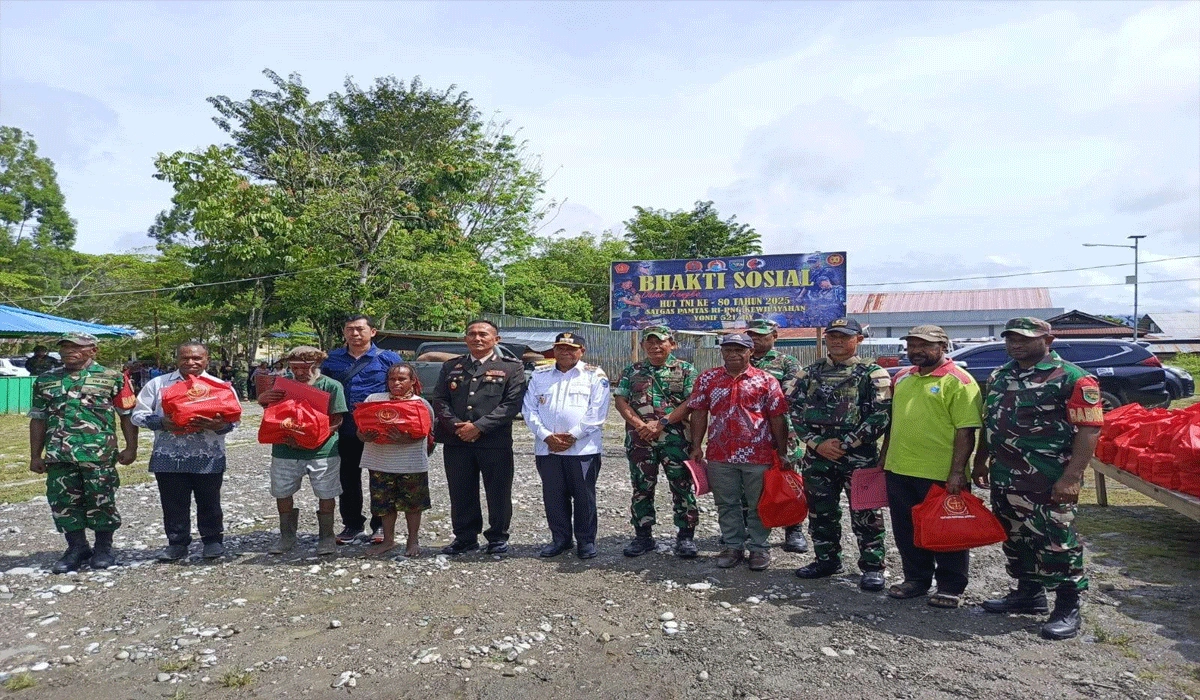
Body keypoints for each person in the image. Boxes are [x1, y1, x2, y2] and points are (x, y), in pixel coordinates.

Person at [973, 317, 1102, 640]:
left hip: (1048, 476)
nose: (1015, 344)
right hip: (1005, 474)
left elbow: (1089, 430)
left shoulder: (1073, 378)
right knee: (1015, 536)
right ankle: (1028, 593)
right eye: (1010, 338)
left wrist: (1072, 477)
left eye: (1024, 339)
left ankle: (1067, 606)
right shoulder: (1001, 375)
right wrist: (981, 460)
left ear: (1048, 340)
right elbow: (992, 421)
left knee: (1056, 541)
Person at [882, 326, 982, 608]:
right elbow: (893, 422)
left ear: (943, 346)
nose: (916, 350)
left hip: (940, 473)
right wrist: (884, 458)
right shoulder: (902, 377)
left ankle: (950, 586)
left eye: (924, 345)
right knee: (906, 530)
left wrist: (957, 472)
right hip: (900, 468)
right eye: (912, 345)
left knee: (947, 531)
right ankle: (916, 579)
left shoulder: (959, 381)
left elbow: (966, 431)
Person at [789, 318, 892, 590]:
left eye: (844, 337)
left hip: (859, 457)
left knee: (866, 512)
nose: (836, 341)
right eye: (832, 336)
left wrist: (846, 444)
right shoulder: (808, 373)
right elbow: (795, 411)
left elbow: (881, 416)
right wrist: (816, 443)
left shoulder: (873, 373)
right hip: (817, 456)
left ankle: (872, 567)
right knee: (821, 512)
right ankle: (826, 560)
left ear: (858, 339)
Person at [28, 333, 138, 573]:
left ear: (93, 350)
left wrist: (131, 448)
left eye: (76, 347)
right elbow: (38, 418)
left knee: (102, 498)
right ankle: (77, 547)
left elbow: (127, 415)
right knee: (62, 500)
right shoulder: (46, 380)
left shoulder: (112, 378)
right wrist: (35, 454)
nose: (69, 351)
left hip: (97, 452)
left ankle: (103, 548)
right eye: (65, 347)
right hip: (59, 454)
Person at [687, 333, 789, 570]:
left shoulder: (766, 381)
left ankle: (759, 549)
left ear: (750, 352)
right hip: (720, 455)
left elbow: (777, 417)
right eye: (728, 350)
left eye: (739, 350)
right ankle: (733, 546)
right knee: (726, 503)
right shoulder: (708, 379)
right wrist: (696, 446)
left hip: (758, 454)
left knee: (758, 503)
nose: (732, 355)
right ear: (721, 352)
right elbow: (699, 412)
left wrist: (782, 452)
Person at [132, 342, 238, 562]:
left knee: (209, 500)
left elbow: (235, 421)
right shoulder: (158, 385)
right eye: (185, 358)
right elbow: (137, 415)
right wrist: (161, 422)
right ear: (177, 359)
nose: (191, 362)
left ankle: (212, 541)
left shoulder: (220, 386)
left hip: (208, 455)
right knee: (172, 502)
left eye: (197, 358)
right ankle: (177, 544)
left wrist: (217, 425)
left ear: (207, 359)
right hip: (168, 456)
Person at [433, 319, 526, 555]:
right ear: (465, 339)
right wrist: (456, 426)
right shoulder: (451, 366)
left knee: (498, 491)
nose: (477, 338)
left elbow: (511, 404)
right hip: (457, 440)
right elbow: (440, 400)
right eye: (472, 334)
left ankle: (497, 537)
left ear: (496, 339)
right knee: (461, 490)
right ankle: (465, 537)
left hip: (494, 441)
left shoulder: (511, 367)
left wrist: (479, 426)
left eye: (484, 334)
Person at [612, 326, 698, 558]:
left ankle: (685, 536)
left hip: (675, 439)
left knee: (681, 487)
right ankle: (643, 537)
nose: (654, 346)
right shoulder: (632, 371)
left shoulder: (686, 370)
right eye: (649, 342)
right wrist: (640, 425)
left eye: (660, 342)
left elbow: (691, 402)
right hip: (640, 440)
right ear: (642, 346)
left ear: (672, 344)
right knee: (642, 487)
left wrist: (661, 424)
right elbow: (621, 400)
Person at [523, 332, 611, 560]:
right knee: (553, 496)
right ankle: (560, 540)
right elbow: (529, 409)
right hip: (547, 448)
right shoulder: (540, 375)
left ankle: (586, 541)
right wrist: (546, 435)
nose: (565, 352)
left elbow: (597, 412)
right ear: (554, 350)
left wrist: (572, 436)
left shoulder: (594, 375)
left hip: (583, 449)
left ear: (582, 351)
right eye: (561, 348)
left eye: (571, 349)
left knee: (584, 497)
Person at [260, 346, 348, 556]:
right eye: (295, 367)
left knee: (326, 493)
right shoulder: (280, 384)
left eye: (305, 368)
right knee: (282, 491)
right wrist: (264, 398)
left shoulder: (331, 386)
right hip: (285, 449)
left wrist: (312, 439)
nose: (299, 372)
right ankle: (287, 535)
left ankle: (326, 536)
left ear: (317, 365)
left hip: (322, 451)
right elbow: (268, 410)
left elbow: (337, 419)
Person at [321, 315, 401, 545]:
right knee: (347, 478)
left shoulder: (388, 358)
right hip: (344, 428)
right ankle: (352, 524)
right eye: (349, 330)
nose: (355, 334)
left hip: (378, 428)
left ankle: (379, 526)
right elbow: (321, 390)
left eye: (360, 329)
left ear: (373, 332)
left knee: (380, 477)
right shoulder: (331, 359)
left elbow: (400, 388)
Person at [356, 363, 435, 558]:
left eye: (402, 379)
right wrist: (365, 436)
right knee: (384, 504)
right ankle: (388, 540)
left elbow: (428, 433)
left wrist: (407, 440)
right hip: (379, 461)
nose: (396, 382)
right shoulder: (373, 400)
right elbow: (360, 429)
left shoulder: (421, 404)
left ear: (412, 381)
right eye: (392, 379)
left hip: (411, 463)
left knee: (413, 505)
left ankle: (412, 540)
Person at [746, 319, 809, 554]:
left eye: (762, 335)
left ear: (774, 336)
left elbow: (789, 395)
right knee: (750, 480)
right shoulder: (742, 358)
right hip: (749, 432)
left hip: (783, 429)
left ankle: (794, 529)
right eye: (752, 335)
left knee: (788, 479)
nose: (756, 340)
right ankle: (751, 529)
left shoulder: (787, 362)